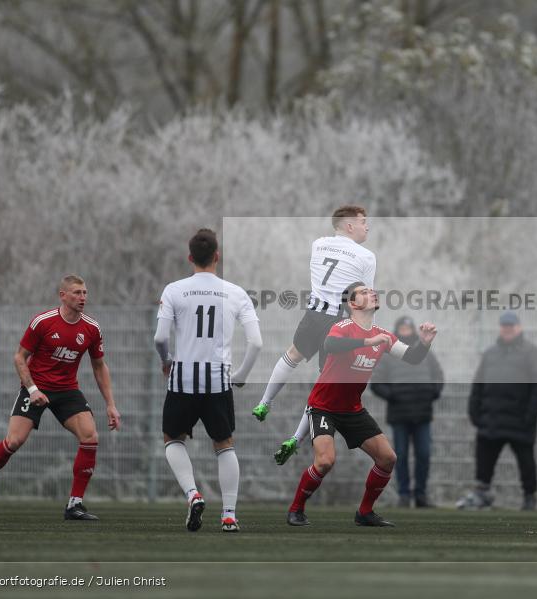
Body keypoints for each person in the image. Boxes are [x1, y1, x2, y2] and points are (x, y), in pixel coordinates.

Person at [0, 275, 121, 520]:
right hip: (35, 387)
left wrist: (111, 405)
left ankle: (74, 505)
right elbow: (19, 357)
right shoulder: (43, 322)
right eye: (77, 293)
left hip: (67, 390)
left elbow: (99, 366)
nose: (83, 298)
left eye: (85, 293)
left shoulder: (91, 328)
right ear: (63, 295)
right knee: (14, 441)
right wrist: (33, 389)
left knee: (90, 436)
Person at [286, 282, 437, 527]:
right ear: (353, 304)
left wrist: (425, 342)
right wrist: (368, 343)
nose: (372, 293)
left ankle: (365, 513)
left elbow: (413, 357)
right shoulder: (342, 327)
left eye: (372, 291)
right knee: (325, 461)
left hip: (351, 409)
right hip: (323, 405)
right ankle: (296, 509)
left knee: (388, 458)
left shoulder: (383, 335)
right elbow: (330, 345)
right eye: (365, 292)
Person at [154, 229, 262, 532]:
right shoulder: (236, 292)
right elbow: (256, 343)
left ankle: (193, 494)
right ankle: (229, 515)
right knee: (224, 443)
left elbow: (161, 337)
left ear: (190, 258)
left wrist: (166, 362)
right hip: (218, 380)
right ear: (218, 256)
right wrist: (239, 376)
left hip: (183, 378)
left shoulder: (174, 290)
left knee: (172, 438)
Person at [252, 205, 375, 424]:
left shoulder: (318, 244)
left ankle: (264, 402)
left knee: (291, 355)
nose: (367, 226)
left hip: (314, 315)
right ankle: (297, 438)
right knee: (326, 380)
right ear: (349, 226)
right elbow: (364, 299)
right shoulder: (367, 256)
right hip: (339, 322)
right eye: (363, 222)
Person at [456, 312, 537, 511]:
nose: (507, 329)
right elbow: (477, 385)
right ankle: (482, 494)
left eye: (511, 326)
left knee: (526, 463)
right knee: (484, 462)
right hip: (491, 419)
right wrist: (474, 412)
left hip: (520, 421)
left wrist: (530, 416)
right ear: (500, 328)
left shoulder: (533, 353)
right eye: (504, 326)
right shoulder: (490, 353)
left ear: (519, 327)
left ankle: (530, 497)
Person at [370, 316, 445, 508]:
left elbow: (438, 376)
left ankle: (421, 495)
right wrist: (393, 396)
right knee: (400, 455)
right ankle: (404, 495)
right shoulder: (388, 355)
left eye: (407, 328)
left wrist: (432, 393)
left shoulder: (426, 353)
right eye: (401, 328)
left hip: (422, 413)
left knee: (424, 454)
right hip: (399, 414)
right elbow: (376, 384)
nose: (405, 331)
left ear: (413, 330)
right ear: (397, 330)